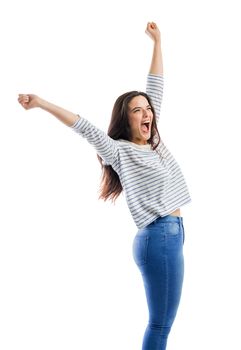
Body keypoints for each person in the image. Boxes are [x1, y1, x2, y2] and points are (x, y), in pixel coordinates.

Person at [18, 22, 191, 350]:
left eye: (148, 108)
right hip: (160, 237)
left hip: (167, 235)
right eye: (137, 110)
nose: (147, 112)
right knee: (160, 325)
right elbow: (83, 127)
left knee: (162, 323)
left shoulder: (154, 140)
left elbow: (155, 86)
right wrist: (40, 103)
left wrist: (158, 42)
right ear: (126, 121)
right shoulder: (120, 150)